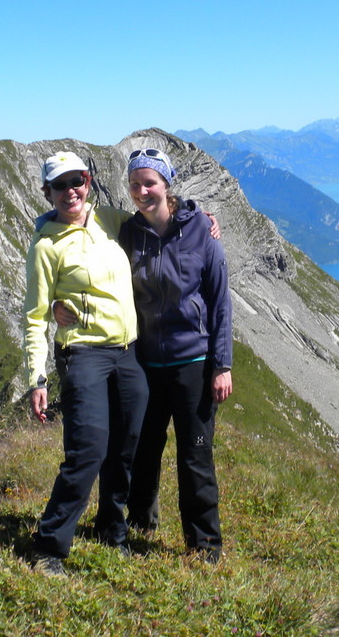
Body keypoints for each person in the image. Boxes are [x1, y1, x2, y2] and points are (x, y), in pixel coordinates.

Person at [22, 151, 148, 576]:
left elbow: (158, 219)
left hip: (128, 353)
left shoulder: (109, 221)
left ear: (89, 181)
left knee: (124, 447)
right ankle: (48, 546)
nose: (69, 191)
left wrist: (199, 216)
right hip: (83, 354)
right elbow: (36, 317)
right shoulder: (45, 246)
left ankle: (112, 529)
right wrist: (37, 377)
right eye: (59, 185)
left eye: (76, 180)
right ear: (48, 193)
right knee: (88, 449)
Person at [117, 147, 235, 561]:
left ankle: (204, 543)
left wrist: (222, 365)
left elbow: (220, 301)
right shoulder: (127, 233)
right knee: (144, 449)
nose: (142, 191)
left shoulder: (201, 229)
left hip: (193, 365)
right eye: (135, 184)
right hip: (147, 363)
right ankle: (140, 522)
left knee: (196, 451)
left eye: (150, 183)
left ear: (167, 185)